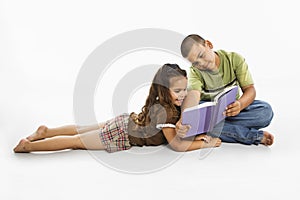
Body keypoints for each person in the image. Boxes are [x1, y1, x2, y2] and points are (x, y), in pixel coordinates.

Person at [14, 64, 221, 153]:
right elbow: (176, 145)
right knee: (77, 142)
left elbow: (178, 133)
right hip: (121, 133)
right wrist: (204, 145)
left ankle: (47, 131)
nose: (183, 94)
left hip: (126, 121)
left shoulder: (164, 105)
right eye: (178, 91)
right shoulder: (166, 112)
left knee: (82, 128)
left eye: (184, 89)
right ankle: (29, 146)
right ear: (164, 90)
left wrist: (195, 136)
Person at [176, 34, 274, 146]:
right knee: (196, 118)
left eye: (201, 55)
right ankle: (250, 135)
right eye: (196, 63)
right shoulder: (195, 72)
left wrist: (240, 105)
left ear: (208, 44)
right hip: (209, 114)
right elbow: (193, 96)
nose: (201, 63)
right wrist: (183, 120)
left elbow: (250, 90)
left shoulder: (234, 59)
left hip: (233, 110)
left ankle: (209, 128)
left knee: (265, 112)